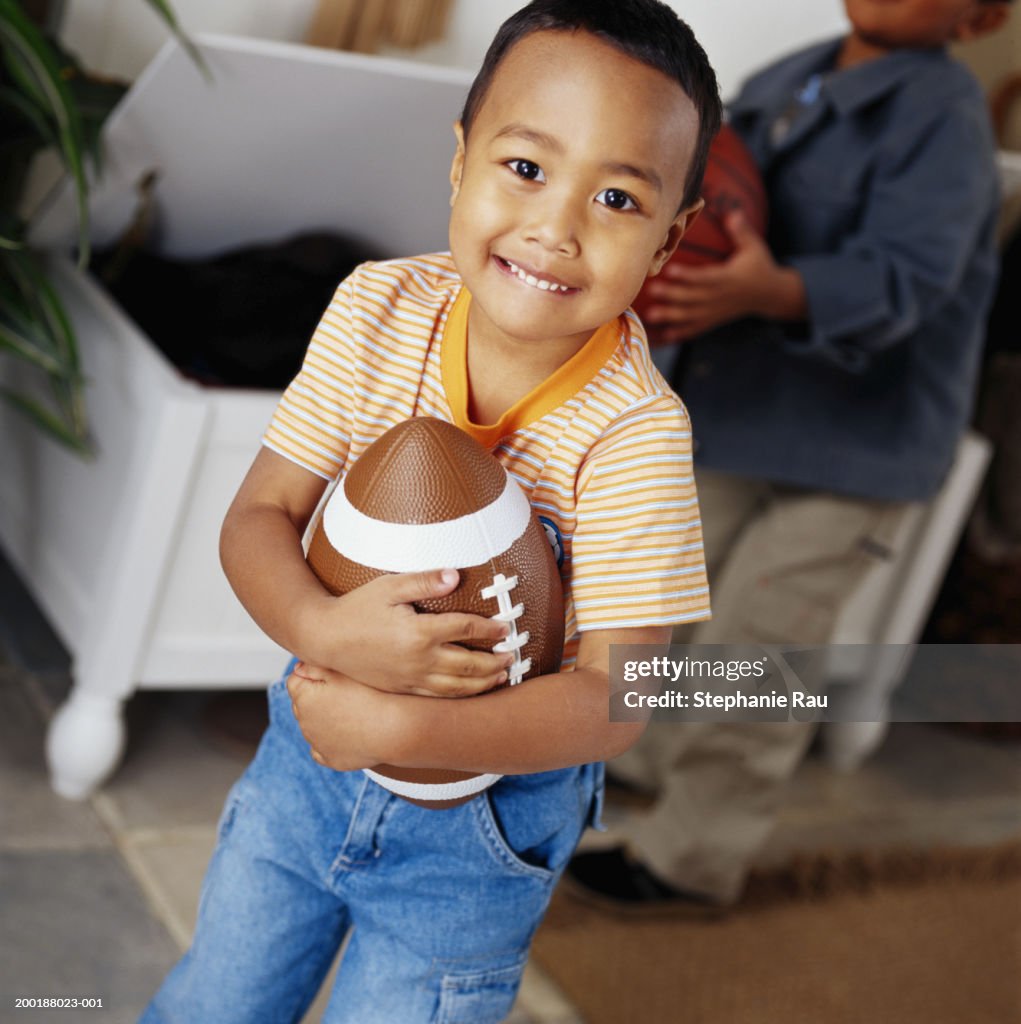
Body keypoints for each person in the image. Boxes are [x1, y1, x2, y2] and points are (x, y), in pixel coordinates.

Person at [141, 2, 721, 1021]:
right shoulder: (376, 308)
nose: (556, 226)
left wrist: (406, 719)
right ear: (460, 162)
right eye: (527, 168)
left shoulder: (635, 435)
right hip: (308, 767)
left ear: (669, 240)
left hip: (481, 834)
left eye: (618, 197)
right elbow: (259, 515)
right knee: (214, 1000)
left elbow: (617, 697)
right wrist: (322, 629)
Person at [566, 0, 1012, 911]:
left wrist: (770, 291)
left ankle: (691, 860)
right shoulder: (781, 81)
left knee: (760, 646)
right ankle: (640, 768)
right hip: (735, 411)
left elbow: (906, 279)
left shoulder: (947, 121)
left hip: (856, 446)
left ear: (973, 22)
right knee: (670, 616)